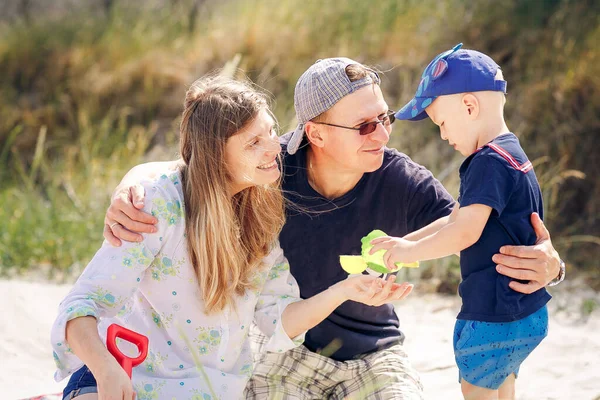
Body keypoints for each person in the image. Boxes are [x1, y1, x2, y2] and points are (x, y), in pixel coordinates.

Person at [103, 58, 565, 399]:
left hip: (376, 353)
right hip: (282, 351)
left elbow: (475, 226)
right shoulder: (272, 168)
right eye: (364, 126)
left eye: (383, 119)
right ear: (316, 133)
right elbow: (197, 167)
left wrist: (553, 264)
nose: (382, 136)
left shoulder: (401, 180)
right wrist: (134, 182)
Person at [50, 75, 409, 400]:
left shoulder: (261, 210)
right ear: (214, 155)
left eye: (271, 132)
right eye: (254, 142)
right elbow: (81, 307)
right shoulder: (156, 204)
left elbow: (277, 320)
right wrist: (106, 370)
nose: (273, 148)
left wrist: (345, 290)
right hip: (125, 378)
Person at [371, 43, 555, 400]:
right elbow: (455, 217)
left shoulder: (485, 162)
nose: (443, 135)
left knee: (477, 391)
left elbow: (464, 232)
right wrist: (404, 242)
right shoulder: (509, 154)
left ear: (469, 106)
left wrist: (412, 250)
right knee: (503, 385)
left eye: (441, 123)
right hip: (525, 311)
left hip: (493, 314)